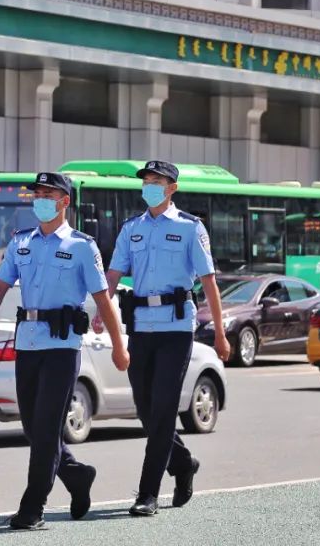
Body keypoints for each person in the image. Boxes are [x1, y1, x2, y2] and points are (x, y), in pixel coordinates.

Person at [0, 172, 129, 530]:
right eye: (36, 193)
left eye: (47, 193)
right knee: (33, 429)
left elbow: (103, 298)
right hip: (27, 342)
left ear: (64, 201)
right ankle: (77, 475)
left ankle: (32, 506)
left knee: (48, 427)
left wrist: (118, 346)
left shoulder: (82, 245)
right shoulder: (21, 241)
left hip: (62, 347)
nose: (40, 199)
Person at [102, 160, 230, 517]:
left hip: (176, 328)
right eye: (146, 181)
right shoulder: (132, 228)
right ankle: (184, 462)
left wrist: (219, 333)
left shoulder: (190, 228)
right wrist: (102, 310)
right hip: (141, 326)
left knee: (162, 409)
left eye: (157, 182)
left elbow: (208, 282)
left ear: (172, 188)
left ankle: (147, 493)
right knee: (145, 409)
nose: (150, 187)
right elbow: (112, 274)